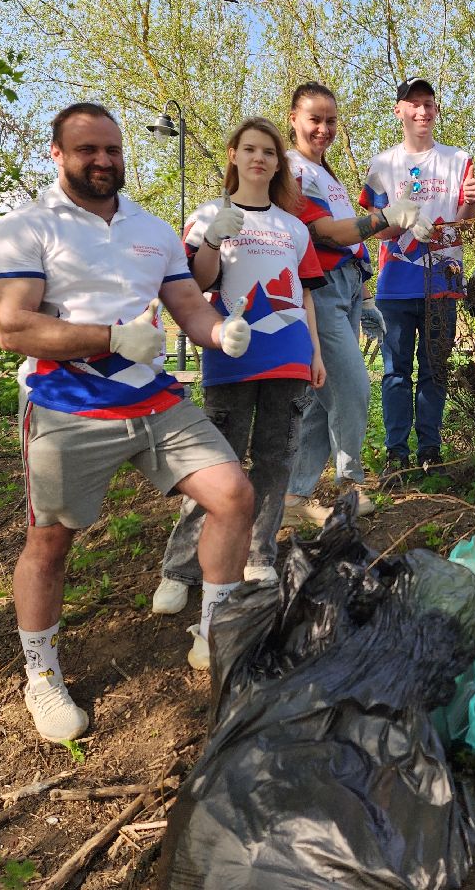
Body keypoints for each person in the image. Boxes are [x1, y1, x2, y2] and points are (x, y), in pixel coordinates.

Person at [0, 102, 255, 742]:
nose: (103, 160)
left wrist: (220, 332)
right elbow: (13, 326)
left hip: (152, 397)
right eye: (87, 150)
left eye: (112, 149)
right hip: (67, 402)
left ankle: (215, 633)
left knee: (234, 495)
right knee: (50, 543)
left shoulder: (151, 230)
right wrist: (109, 338)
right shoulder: (23, 227)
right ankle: (41, 674)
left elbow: (187, 304)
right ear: (57, 154)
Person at [151, 117, 329, 650]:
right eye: (249, 149)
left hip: (289, 356)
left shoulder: (294, 227)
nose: (259, 158)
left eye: (268, 152)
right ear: (233, 154)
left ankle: (258, 555)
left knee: (275, 459)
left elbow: (306, 294)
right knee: (215, 466)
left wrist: (316, 352)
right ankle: (180, 569)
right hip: (230, 356)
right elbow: (195, 284)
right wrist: (211, 239)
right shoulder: (208, 214)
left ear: (278, 163)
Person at [281, 82, 420, 521]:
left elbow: (354, 237)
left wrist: (367, 293)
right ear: (293, 119)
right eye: (314, 119)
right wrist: (384, 217)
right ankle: (349, 485)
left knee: (324, 397)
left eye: (331, 120)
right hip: (319, 289)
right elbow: (326, 233)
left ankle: (293, 496)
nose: (324, 129)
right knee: (352, 388)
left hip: (347, 286)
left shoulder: (323, 172)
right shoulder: (293, 171)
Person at [360, 77, 475, 477]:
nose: (422, 111)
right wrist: (402, 220)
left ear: (436, 110)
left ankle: (430, 450)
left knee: (434, 371)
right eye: (414, 104)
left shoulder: (458, 160)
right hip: (395, 283)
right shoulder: (382, 165)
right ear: (399, 111)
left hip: (442, 283)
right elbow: (374, 229)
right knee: (395, 373)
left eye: (429, 103)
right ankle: (397, 453)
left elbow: (467, 225)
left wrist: (466, 209)